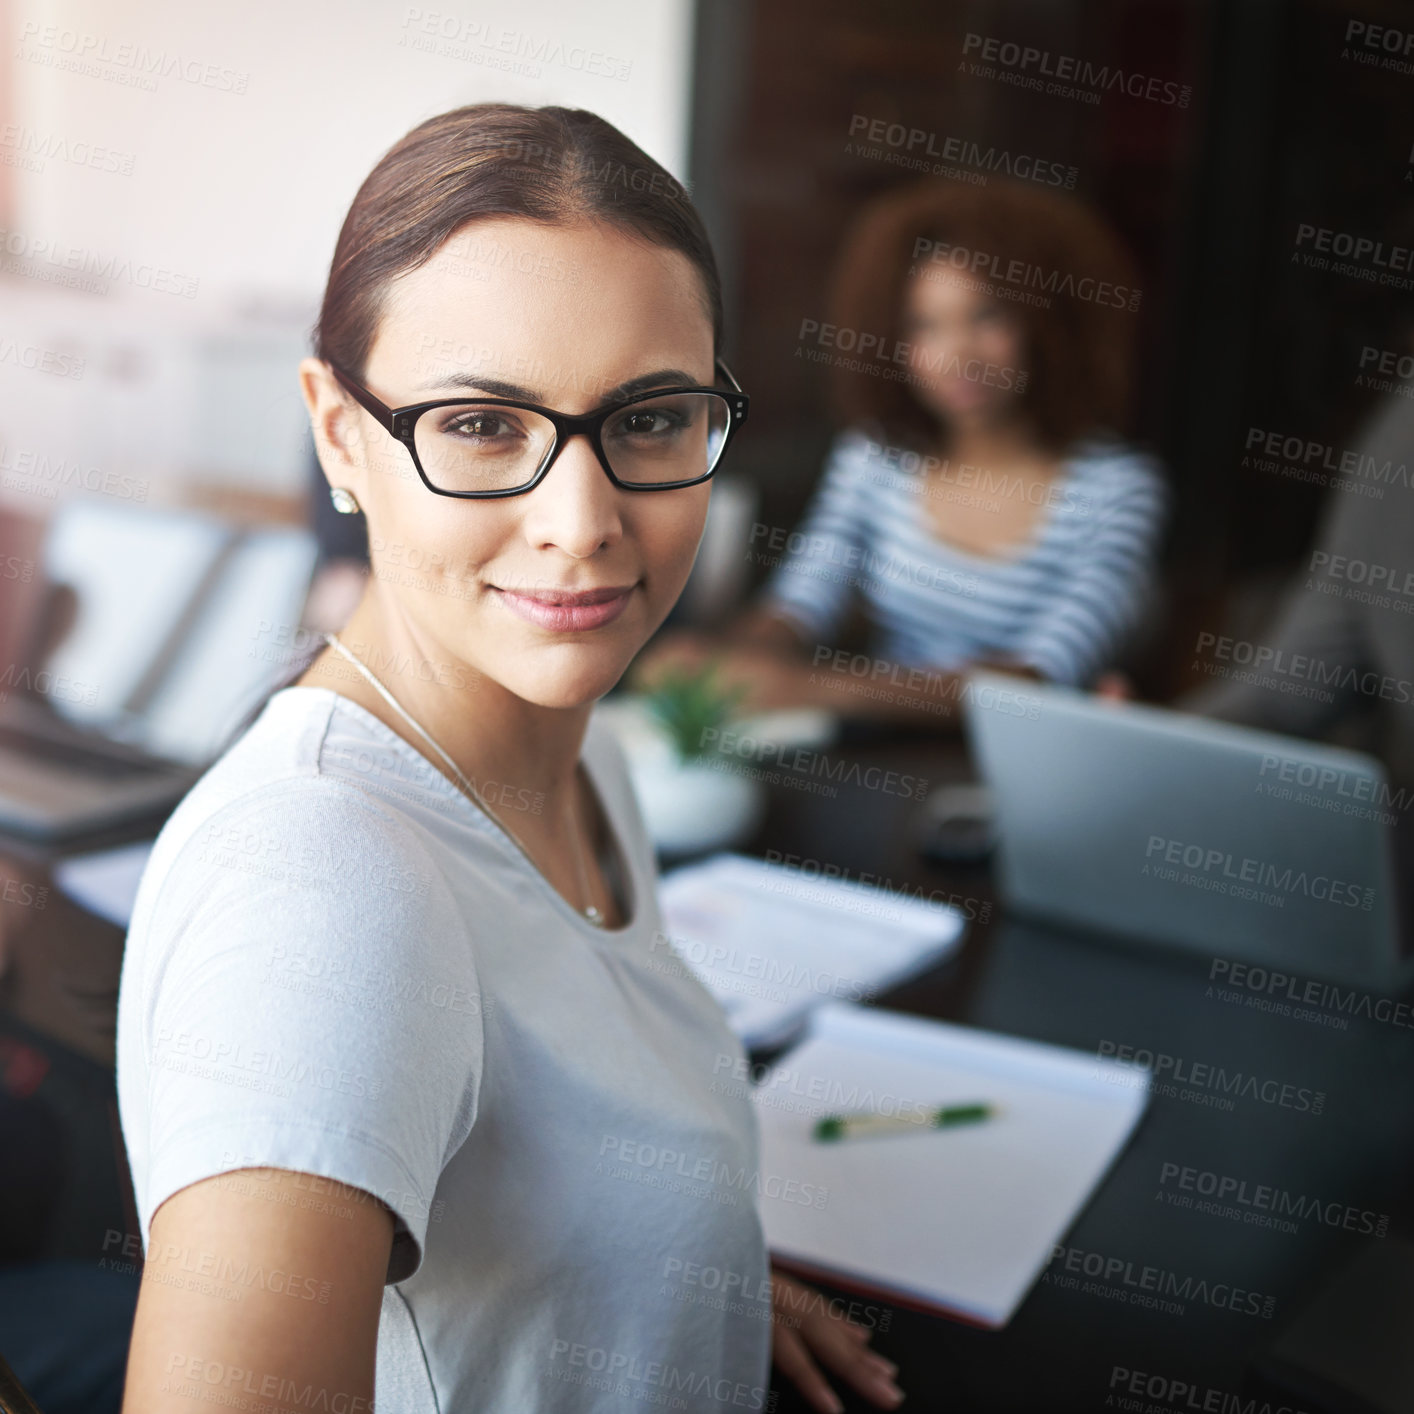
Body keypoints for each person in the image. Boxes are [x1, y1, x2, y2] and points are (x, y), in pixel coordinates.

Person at [115, 104, 904, 1413]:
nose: (583, 525)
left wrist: (689, 1267)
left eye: (651, 416)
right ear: (337, 432)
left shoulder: (570, 752)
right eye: (482, 424)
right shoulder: (320, 886)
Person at [640, 177, 1168, 724]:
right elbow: (802, 601)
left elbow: (1045, 678)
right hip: (880, 753)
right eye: (924, 325)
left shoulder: (1117, 491)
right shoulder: (877, 457)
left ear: (1047, 321)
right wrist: (722, 662)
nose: (957, 353)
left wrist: (812, 688)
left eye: (986, 316)